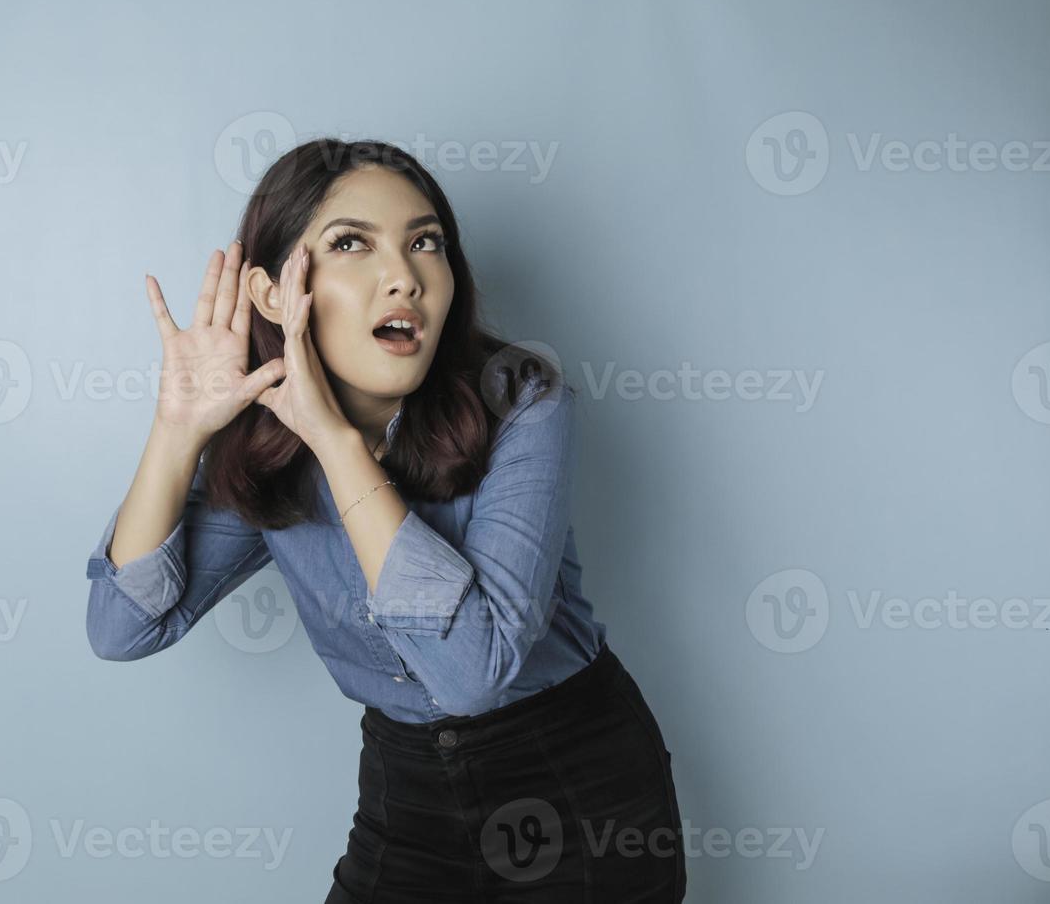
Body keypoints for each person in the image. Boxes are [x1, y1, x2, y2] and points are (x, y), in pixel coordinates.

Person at [85, 138, 687, 902]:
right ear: (274, 295)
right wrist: (178, 432)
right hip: (406, 797)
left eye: (425, 243)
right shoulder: (268, 454)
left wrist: (336, 444)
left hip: (575, 791)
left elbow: (472, 674)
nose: (404, 277)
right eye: (350, 245)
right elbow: (119, 628)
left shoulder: (523, 404)